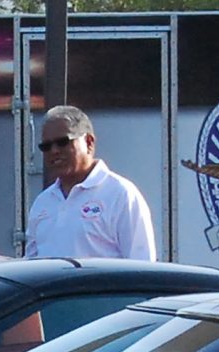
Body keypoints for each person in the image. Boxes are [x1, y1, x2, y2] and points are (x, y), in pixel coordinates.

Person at [25, 105, 155, 260]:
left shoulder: (120, 194)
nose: (54, 151)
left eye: (63, 142)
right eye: (46, 146)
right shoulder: (43, 203)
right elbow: (31, 265)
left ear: (89, 142)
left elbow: (142, 264)